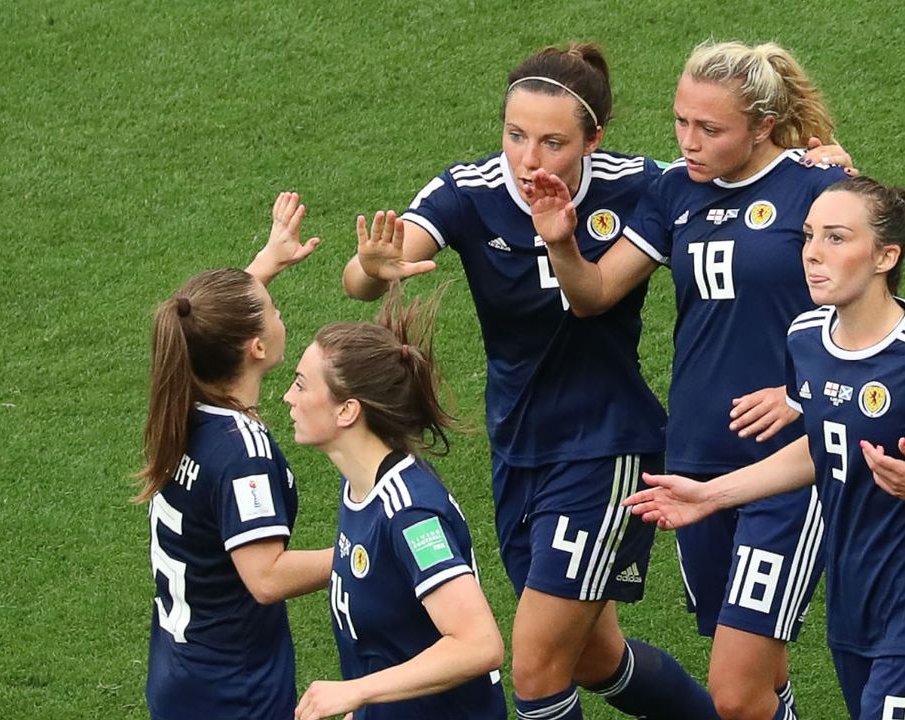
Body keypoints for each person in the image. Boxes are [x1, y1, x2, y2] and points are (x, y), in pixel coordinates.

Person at [341, 43, 808, 720]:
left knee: (534, 666)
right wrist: (372, 268)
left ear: (595, 139)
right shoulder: (468, 193)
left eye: (554, 142)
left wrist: (817, 165)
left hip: (607, 447)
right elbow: (368, 277)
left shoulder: (641, 186)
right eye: (515, 135)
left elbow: (750, 183)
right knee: (593, 658)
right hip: (520, 446)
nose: (528, 159)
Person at [624, 176, 905, 720]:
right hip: (854, 613)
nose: (812, 254)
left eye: (835, 239)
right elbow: (825, 447)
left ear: (885, 256)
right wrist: (715, 495)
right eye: (808, 236)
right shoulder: (806, 337)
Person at [526, 40, 852, 720]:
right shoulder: (672, 191)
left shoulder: (818, 190)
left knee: (733, 693)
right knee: (761, 675)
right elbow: (594, 294)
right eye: (681, 122)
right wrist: (561, 241)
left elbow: (871, 317)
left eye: (711, 129)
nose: (690, 142)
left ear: (762, 126)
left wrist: (803, 396)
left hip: (788, 465)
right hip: (697, 462)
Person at [138, 192, 331, 720]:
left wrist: (266, 264)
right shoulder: (242, 452)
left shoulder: (183, 408)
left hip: (180, 675)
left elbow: (205, 322)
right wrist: (359, 555)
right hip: (234, 692)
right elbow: (266, 578)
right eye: (271, 310)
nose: (278, 311)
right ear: (257, 349)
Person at [285, 288, 507, 720]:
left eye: (301, 384)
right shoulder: (360, 487)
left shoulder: (410, 514)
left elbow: (479, 644)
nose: (288, 398)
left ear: (347, 411)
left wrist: (355, 692)